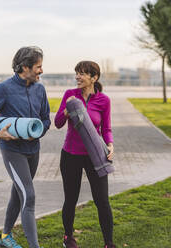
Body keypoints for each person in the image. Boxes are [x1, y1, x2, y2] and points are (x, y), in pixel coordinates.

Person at [0, 46, 50, 248]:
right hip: (13, 151)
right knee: (29, 195)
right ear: (24, 67)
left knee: (19, 192)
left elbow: (45, 119)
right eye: (38, 67)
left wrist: (37, 132)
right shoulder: (4, 88)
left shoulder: (40, 89)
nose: (41, 71)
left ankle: (5, 236)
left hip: (34, 151)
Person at [54, 61, 116, 248]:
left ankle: (108, 243)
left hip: (94, 155)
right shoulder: (69, 95)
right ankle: (68, 238)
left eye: (82, 74)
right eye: (77, 73)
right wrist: (66, 112)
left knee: (102, 201)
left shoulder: (104, 100)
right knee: (70, 199)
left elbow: (106, 128)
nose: (78, 77)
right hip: (70, 155)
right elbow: (57, 123)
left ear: (94, 78)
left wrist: (110, 144)